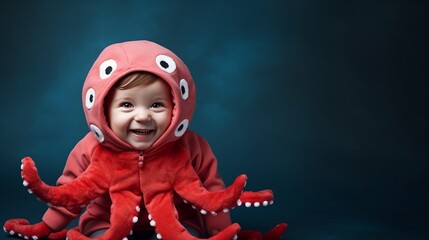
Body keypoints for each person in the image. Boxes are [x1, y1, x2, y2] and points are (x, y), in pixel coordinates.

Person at [4, 40, 285, 240]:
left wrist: (217, 231)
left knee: (187, 233)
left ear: (178, 107)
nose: (143, 116)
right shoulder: (88, 148)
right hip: (106, 221)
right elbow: (69, 194)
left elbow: (212, 190)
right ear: (102, 109)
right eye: (126, 105)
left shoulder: (193, 147)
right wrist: (46, 226)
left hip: (180, 221)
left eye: (156, 105)